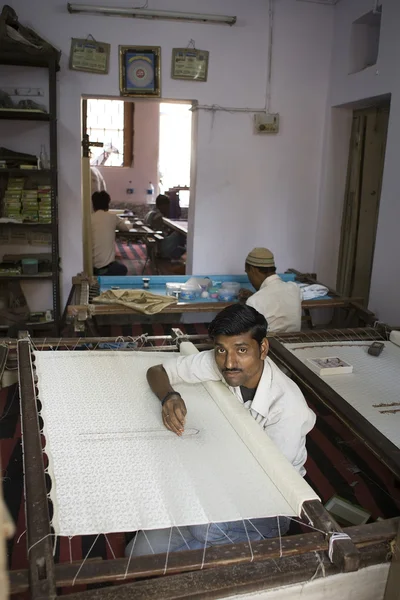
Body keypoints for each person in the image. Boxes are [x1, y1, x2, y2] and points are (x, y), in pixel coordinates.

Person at [125, 304, 315, 557]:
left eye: (242, 350)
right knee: (136, 553)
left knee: (202, 529)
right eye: (221, 350)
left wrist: (200, 477)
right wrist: (169, 396)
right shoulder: (221, 364)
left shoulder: (287, 407)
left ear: (263, 349)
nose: (230, 362)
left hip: (268, 504)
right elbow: (157, 371)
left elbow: (267, 484)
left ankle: (244, 544)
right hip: (222, 481)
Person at [240, 247, 302, 332]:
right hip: (294, 343)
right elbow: (276, 298)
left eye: (247, 272)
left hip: (271, 344)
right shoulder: (295, 288)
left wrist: (253, 298)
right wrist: (255, 295)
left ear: (253, 270)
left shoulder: (253, 301)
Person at [91, 191, 130, 276]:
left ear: (93, 205)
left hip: (90, 268)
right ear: (108, 204)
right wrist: (127, 221)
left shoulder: (89, 218)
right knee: (123, 269)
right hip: (106, 268)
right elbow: (127, 227)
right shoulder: (112, 218)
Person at [144, 194, 186, 260]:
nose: (168, 209)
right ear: (163, 206)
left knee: (182, 250)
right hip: (159, 249)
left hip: (152, 248)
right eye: (167, 206)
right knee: (180, 234)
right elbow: (161, 236)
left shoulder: (150, 213)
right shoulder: (158, 217)